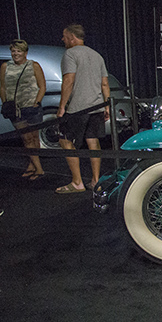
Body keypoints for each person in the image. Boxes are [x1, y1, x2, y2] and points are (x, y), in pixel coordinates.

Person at [55, 24, 110, 194]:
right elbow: (104, 83)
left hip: (78, 108)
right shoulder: (97, 55)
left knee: (65, 141)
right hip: (97, 106)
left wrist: (62, 106)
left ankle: (77, 182)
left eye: (64, 36)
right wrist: (106, 105)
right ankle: (95, 180)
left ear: (72, 37)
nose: (62, 39)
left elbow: (69, 81)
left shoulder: (70, 54)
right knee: (93, 141)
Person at [0, 39, 46, 181]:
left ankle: (33, 165)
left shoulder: (34, 65)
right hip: (16, 109)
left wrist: (37, 102)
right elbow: (3, 87)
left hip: (32, 107)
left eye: (18, 51)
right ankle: (39, 169)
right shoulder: (5, 66)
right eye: (13, 51)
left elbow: (42, 86)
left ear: (25, 52)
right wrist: (5, 103)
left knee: (34, 137)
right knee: (26, 138)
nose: (15, 53)